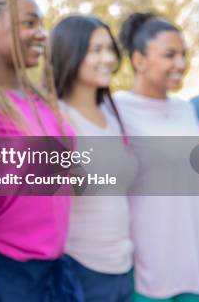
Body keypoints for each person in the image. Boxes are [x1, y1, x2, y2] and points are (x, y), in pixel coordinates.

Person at [0, 0, 82, 302]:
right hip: (1, 273)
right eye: (29, 23)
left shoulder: (39, 99)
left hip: (55, 269)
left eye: (41, 24)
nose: (41, 34)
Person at [114, 12, 199, 301]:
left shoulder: (186, 109)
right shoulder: (118, 110)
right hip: (151, 276)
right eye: (170, 55)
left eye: (183, 55)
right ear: (139, 60)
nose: (181, 65)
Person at [50, 15, 137, 302]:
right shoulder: (57, 118)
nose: (108, 58)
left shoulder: (113, 116)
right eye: (95, 50)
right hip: (81, 268)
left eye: (110, 49)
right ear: (70, 52)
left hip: (123, 266)